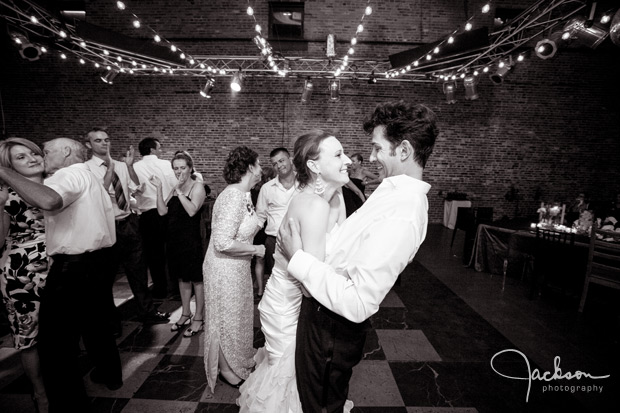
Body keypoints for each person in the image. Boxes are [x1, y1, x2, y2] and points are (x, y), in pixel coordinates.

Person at [279, 100, 439, 412]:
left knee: (321, 406)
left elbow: (358, 302)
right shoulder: (390, 192)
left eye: (378, 148)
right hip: (322, 310)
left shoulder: (404, 212)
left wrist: (298, 259)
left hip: (332, 327)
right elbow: (350, 241)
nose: (371, 156)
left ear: (403, 150)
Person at [0, 137, 123, 412]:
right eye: (24, 156)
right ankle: (99, 378)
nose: (37, 157)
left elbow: (51, 200)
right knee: (88, 325)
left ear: (65, 152)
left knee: (57, 344)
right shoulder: (83, 174)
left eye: (40, 152)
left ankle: (68, 403)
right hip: (33, 271)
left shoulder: (64, 176)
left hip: (70, 266)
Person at [237, 130, 351, 413]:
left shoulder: (335, 198)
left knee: (301, 373)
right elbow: (310, 279)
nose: (347, 159)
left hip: (299, 298)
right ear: (313, 166)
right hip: (291, 302)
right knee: (291, 374)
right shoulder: (313, 205)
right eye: (338, 154)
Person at [84, 129, 170, 328]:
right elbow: (97, 194)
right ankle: (111, 320)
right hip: (106, 224)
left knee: (138, 271)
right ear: (89, 145)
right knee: (106, 276)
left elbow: (135, 185)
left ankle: (147, 311)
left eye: (107, 139)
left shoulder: (122, 166)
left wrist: (129, 167)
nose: (104, 144)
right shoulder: (86, 169)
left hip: (129, 222)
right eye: (98, 141)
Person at [203, 146, 265, 393]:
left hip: (237, 268)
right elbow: (223, 242)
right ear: (249, 167)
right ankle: (226, 370)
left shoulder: (245, 194)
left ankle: (238, 358)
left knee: (238, 317)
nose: (262, 170)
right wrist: (256, 250)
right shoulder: (233, 196)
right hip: (223, 269)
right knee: (225, 318)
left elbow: (242, 229)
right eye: (259, 165)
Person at [0, 138, 49, 413]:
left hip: (62, 267)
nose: (31, 158)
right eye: (21, 157)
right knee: (28, 335)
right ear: (9, 167)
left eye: (33, 152)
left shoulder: (61, 182)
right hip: (21, 274)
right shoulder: (6, 192)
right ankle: (40, 394)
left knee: (60, 334)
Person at [150, 151, 206, 337]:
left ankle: (198, 317)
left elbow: (191, 211)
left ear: (190, 168)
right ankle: (185, 313)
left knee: (197, 279)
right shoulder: (175, 187)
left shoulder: (198, 187)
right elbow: (162, 212)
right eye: (176, 168)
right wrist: (159, 189)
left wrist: (181, 192)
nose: (179, 171)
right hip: (174, 240)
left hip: (191, 240)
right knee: (182, 278)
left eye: (183, 168)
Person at [133, 138, 178, 299]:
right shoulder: (166, 165)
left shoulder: (134, 167)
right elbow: (175, 185)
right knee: (171, 251)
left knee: (153, 254)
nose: (160, 150)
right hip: (167, 210)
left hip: (147, 215)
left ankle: (160, 288)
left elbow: (133, 190)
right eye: (159, 148)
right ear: (152, 150)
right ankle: (175, 287)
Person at [254, 148, 297, 297]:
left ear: (290, 159)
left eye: (281, 160)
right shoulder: (267, 188)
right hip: (274, 241)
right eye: (274, 164)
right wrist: (247, 236)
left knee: (300, 279)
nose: (279, 166)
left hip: (300, 240)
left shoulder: (305, 184)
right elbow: (260, 217)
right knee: (277, 281)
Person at [250, 165, 276, 297]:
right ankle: (270, 289)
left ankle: (260, 289)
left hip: (257, 228)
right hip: (267, 228)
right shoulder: (270, 190)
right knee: (272, 262)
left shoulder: (253, 191)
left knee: (259, 260)